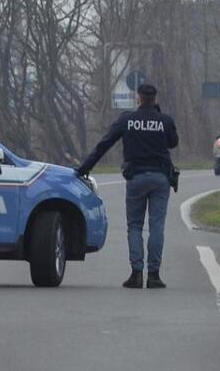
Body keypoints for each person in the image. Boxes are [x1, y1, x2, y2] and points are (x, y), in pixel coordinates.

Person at [75, 83, 178, 289]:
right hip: (160, 178)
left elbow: (104, 144)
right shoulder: (164, 120)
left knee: (135, 226)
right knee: (157, 226)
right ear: (155, 99)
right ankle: (155, 276)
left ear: (138, 99)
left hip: (136, 178)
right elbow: (173, 142)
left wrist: (83, 170)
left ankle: (137, 274)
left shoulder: (127, 120)